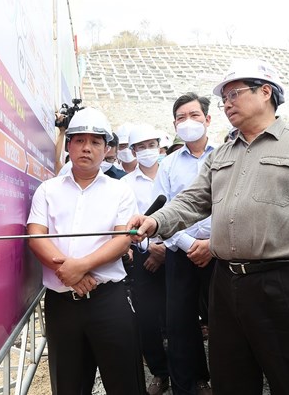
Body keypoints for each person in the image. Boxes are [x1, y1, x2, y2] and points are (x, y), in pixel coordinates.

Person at [128, 58, 289, 395]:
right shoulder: (220, 156)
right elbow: (192, 201)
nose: (227, 102)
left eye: (234, 93)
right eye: (224, 98)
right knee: (231, 377)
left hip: (286, 282)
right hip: (226, 284)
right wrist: (156, 220)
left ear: (266, 92)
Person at [26, 107, 145, 394]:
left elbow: (121, 240)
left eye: (95, 142)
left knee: (125, 382)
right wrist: (70, 273)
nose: (86, 148)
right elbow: (36, 236)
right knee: (68, 385)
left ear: (107, 149)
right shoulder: (47, 190)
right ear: (68, 145)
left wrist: (79, 266)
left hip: (109, 301)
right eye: (79, 141)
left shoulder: (120, 191)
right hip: (62, 305)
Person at [153, 92, 215, 395]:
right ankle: (186, 385)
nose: (188, 122)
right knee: (180, 323)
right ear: (174, 125)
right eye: (181, 117)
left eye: (194, 115)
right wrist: (190, 243)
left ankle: (223, 379)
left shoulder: (226, 155)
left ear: (208, 119)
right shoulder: (167, 165)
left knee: (224, 322)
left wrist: (212, 244)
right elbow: (162, 211)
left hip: (222, 251)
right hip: (181, 252)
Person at [121, 124, 170, 395]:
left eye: (151, 145)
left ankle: (194, 374)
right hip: (144, 257)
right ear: (133, 151)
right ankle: (160, 373)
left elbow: (186, 210)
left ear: (159, 146)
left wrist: (166, 249)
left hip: (179, 253)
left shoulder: (170, 173)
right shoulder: (126, 184)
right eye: (141, 146)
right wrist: (151, 249)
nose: (147, 151)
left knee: (180, 318)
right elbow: (128, 224)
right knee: (148, 320)